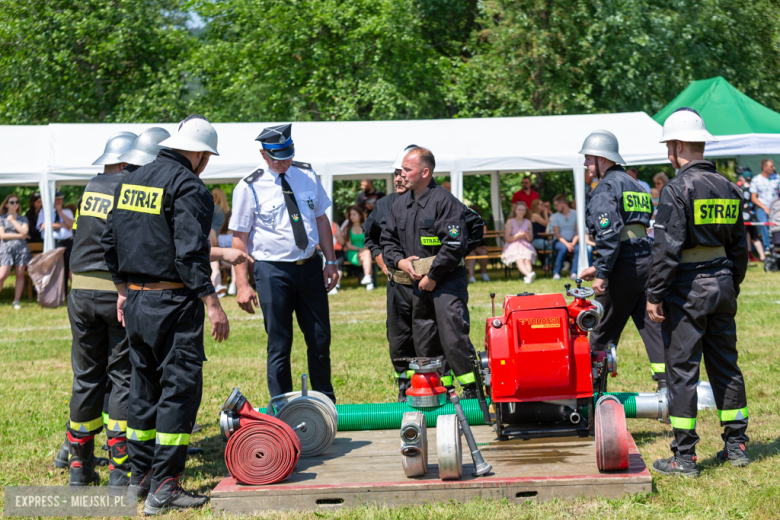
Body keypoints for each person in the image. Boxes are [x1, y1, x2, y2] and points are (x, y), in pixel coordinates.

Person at [102, 115, 232, 513]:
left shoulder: (130, 180)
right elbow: (190, 252)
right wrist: (212, 302)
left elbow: (109, 240)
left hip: (137, 302)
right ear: (198, 153)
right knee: (179, 390)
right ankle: (166, 486)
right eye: (206, 156)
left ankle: (139, 479)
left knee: (143, 389)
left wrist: (124, 291)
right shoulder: (189, 185)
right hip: (173, 303)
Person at [646, 107, 750, 477]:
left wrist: (654, 294)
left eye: (668, 147)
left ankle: (685, 457)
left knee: (683, 369)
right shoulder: (729, 188)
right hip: (723, 284)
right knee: (726, 365)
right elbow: (740, 246)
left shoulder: (676, 189)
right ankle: (736, 445)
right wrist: (730, 283)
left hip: (689, 288)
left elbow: (667, 248)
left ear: (676, 146)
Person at [229, 123, 339, 404]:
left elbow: (321, 219)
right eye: (277, 157)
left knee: (320, 339)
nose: (283, 162)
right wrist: (242, 284)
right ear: (263, 154)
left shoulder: (306, 174)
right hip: (272, 271)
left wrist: (331, 261)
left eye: (287, 155)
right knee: (279, 343)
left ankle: (325, 401)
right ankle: (283, 406)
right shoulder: (248, 186)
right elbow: (239, 239)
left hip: (310, 266)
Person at [57, 130, 138, 487]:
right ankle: (120, 470)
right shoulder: (129, 188)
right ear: (127, 162)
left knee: (86, 378)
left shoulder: (90, 187)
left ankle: (80, 467)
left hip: (80, 294)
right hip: (115, 294)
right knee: (121, 377)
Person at [381, 147, 478, 396]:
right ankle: (439, 387)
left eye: (407, 169)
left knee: (452, 334)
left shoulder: (445, 202)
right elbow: (388, 241)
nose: (401, 174)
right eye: (401, 169)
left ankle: (470, 388)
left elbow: (455, 244)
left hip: (445, 281)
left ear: (425, 172)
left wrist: (433, 276)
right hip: (416, 284)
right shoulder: (400, 204)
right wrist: (399, 261)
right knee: (424, 338)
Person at [577, 129, 666, 391]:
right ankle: (667, 388)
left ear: (602, 159)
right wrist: (599, 266)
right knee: (653, 328)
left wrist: (602, 273)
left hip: (623, 266)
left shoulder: (605, 187)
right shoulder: (636, 185)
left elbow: (609, 234)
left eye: (588, 158)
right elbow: (635, 229)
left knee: (601, 329)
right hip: (645, 260)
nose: (585, 164)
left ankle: (593, 391)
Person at [363, 145, 422, 400]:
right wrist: (381, 262)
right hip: (397, 284)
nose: (399, 177)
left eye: (404, 172)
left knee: (429, 333)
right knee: (398, 335)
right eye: (396, 173)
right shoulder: (384, 204)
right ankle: (403, 384)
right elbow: (370, 235)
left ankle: (435, 383)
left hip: (427, 282)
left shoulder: (433, 201)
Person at [0, 193, 32, 310]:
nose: (15, 204)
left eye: (17, 202)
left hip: (21, 249)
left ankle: (16, 301)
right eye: (12, 202)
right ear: (7, 204)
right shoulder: (1, 218)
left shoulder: (23, 218)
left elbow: (25, 231)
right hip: (6, 249)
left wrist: (13, 221)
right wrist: (20, 235)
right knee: (2, 275)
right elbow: (2, 235)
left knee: (19, 275)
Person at [38, 191, 75, 286]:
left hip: (67, 242)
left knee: (68, 267)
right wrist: (62, 224)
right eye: (56, 199)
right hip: (54, 242)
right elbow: (44, 226)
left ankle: (66, 290)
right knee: (55, 268)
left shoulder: (67, 212)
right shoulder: (45, 211)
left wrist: (60, 212)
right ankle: (56, 292)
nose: (59, 201)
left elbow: (72, 224)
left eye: (60, 199)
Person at [550, 195, 589, 280]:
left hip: (574, 241)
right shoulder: (554, 217)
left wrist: (573, 243)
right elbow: (557, 234)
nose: (555, 207)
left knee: (578, 249)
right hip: (560, 241)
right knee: (563, 248)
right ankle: (556, 273)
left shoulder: (576, 214)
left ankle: (574, 273)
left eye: (557, 205)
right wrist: (567, 245)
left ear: (563, 204)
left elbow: (577, 232)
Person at [501, 201, 536, 283]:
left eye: (523, 210)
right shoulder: (510, 221)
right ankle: (529, 274)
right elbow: (507, 238)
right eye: (519, 209)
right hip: (513, 244)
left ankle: (528, 278)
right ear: (515, 210)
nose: (521, 212)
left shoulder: (528, 222)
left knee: (527, 259)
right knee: (519, 258)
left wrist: (527, 235)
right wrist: (517, 235)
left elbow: (530, 239)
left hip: (525, 244)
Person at [750, 158, 779, 254]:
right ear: (765, 167)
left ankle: (777, 246)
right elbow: (753, 198)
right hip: (762, 208)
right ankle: (767, 248)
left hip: (777, 208)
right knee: (764, 225)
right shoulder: (756, 180)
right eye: (771, 166)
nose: (773, 168)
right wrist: (765, 207)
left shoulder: (777, 178)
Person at [344, 205, 374, 290]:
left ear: (360, 215)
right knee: (367, 256)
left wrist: (364, 249)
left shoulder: (366, 227)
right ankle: (369, 281)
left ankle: (368, 279)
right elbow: (348, 245)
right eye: (350, 214)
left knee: (366, 255)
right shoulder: (347, 228)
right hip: (352, 251)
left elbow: (370, 241)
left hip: (365, 250)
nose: (351, 217)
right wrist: (360, 249)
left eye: (354, 214)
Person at [466, 204, 490, 283]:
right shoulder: (464, 221)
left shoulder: (481, 222)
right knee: (472, 254)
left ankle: (484, 273)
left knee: (483, 251)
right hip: (469, 245)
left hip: (479, 244)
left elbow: (484, 234)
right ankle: (471, 276)